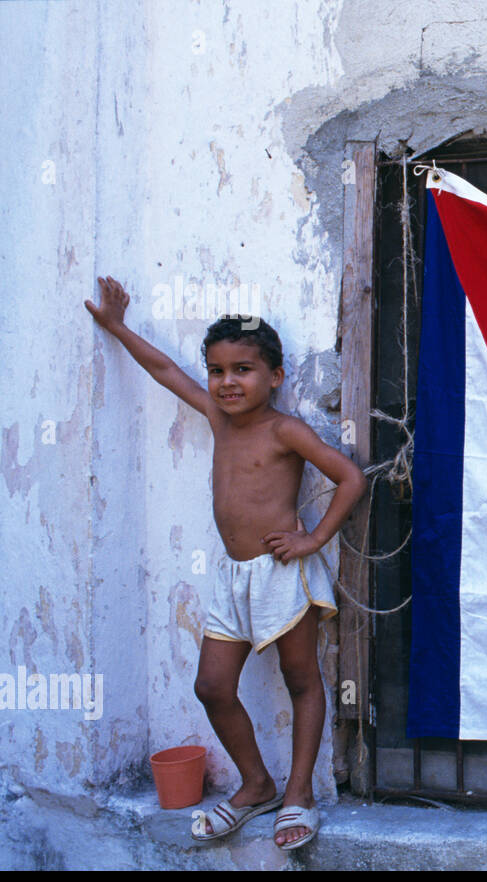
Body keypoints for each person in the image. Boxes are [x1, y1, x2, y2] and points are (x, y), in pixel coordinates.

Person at [85, 276, 366, 849]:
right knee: (212, 685)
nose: (227, 382)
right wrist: (117, 328)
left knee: (301, 679)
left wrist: (312, 540)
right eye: (218, 370)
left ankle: (298, 795)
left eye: (242, 369)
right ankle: (255, 783)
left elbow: (350, 477)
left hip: (281, 574)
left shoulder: (284, 430)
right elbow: (166, 372)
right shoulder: (217, 420)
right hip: (233, 577)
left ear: (275, 377)